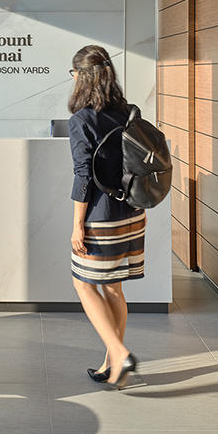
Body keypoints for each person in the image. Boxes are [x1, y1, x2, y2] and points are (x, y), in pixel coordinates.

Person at [66, 45, 143, 389]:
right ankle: (113, 366)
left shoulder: (82, 120)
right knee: (113, 288)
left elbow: (84, 175)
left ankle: (119, 351)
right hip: (132, 211)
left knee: (83, 283)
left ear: (83, 78)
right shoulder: (128, 112)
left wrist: (76, 225)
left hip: (101, 215)